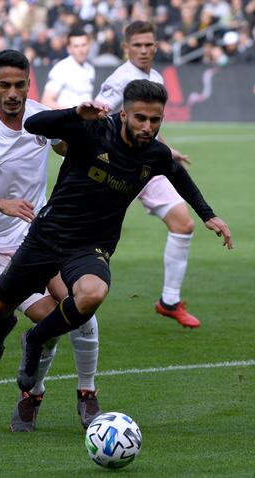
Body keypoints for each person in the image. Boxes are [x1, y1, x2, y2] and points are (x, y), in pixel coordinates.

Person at [0, 79, 233, 400]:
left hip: (91, 246)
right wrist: (75, 113)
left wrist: (207, 214)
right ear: (124, 114)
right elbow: (33, 124)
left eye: (155, 120)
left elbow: (176, 172)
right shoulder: (93, 130)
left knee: (92, 295)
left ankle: (34, 340)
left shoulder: (153, 153)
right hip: (47, 236)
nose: (147, 127)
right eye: (140, 118)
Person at [0, 49, 101, 432]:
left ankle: (86, 392)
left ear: (30, 84)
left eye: (20, 85)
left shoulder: (39, 117)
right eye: (5, 85)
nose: (13, 94)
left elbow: (66, 146)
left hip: (44, 234)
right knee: (47, 318)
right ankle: (8, 346)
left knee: (81, 308)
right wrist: (0, 203)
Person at [95, 20, 200, 328]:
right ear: (125, 48)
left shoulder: (153, 78)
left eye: (148, 44)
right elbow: (98, 114)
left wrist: (168, 151)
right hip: (114, 167)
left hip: (146, 166)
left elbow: (150, 128)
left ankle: (169, 301)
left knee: (183, 223)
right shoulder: (122, 80)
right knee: (84, 234)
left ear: (156, 46)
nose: (143, 50)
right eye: (136, 45)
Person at [41, 28, 95, 109]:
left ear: (88, 46)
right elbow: (46, 101)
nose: (81, 50)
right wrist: (73, 114)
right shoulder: (61, 68)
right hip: (67, 120)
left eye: (83, 45)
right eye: (76, 46)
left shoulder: (90, 68)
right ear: (69, 49)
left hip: (87, 120)